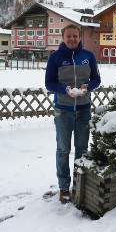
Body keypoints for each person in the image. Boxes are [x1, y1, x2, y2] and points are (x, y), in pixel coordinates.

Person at [45, 24, 101, 204]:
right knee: (63, 151)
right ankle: (64, 187)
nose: (72, 39)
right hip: (63, 111)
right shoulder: (55, 57)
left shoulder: (88, 56)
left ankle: (79, 183)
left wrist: (87, 87)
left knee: (82, 150)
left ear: (79, 37)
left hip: (84, 110)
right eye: (68, 36)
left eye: (75, 36)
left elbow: (97, 79)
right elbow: (49, 83)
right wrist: (64, 89)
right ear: (62, 37)